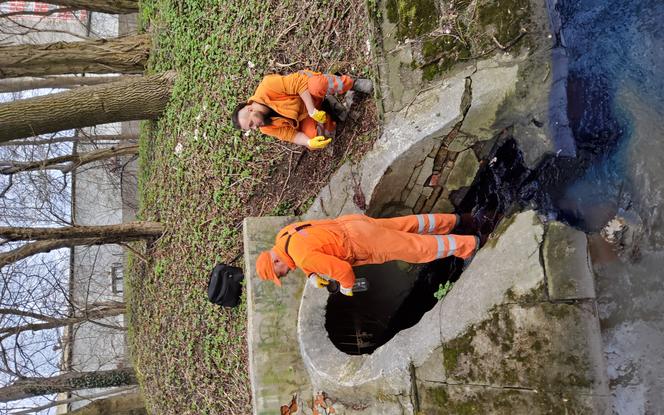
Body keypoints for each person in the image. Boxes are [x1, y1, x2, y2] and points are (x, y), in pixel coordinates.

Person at [255, 213, 480, 296]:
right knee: (408, 226)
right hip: (352, 224)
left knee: (415, 249)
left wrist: (346, 288)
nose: (284, 274)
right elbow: (307, 246)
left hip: (359, 242)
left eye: (280, 273)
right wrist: (311, 275)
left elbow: (343, 270)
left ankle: (468, 245)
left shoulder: (303, 257)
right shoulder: (283, 237)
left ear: (275, 261)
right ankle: (456, 221)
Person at [231, 70, 373, 150]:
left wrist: (312, 110)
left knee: (318, 84)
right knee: (314, 138)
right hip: (306, 115)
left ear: (250, 109)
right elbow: (291, 135)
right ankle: (331, 110)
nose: (255, 128)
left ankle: (353, 83)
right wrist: (308, 143)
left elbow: (300, 84)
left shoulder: (267, 85)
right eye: (251, 128)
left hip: (309, 92)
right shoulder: (265, 128)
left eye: (251, 124)